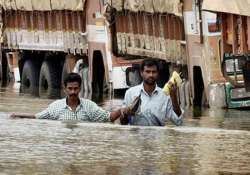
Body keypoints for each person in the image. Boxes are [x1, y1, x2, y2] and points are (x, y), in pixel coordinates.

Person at [11, 73, 130, 123]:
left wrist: (122, 110)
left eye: (75, 88)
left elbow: (108, 118)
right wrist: (18, 115)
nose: (73, 92)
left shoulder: (89, 106)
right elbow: (37, 117)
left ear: (80, 88)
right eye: (70, 89)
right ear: (65, 89)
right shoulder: (56, 106)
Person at [120, 58, 183, 126]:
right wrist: (126, 114)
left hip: (158, 135)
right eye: (148, 71)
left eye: (154, 72)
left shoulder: (165, 95)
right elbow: (123, 122)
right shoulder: (130, 93)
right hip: (137, 135)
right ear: (141, 73)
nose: (151, 75)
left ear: (158, 73)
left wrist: (173, 97)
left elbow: (178, 121)